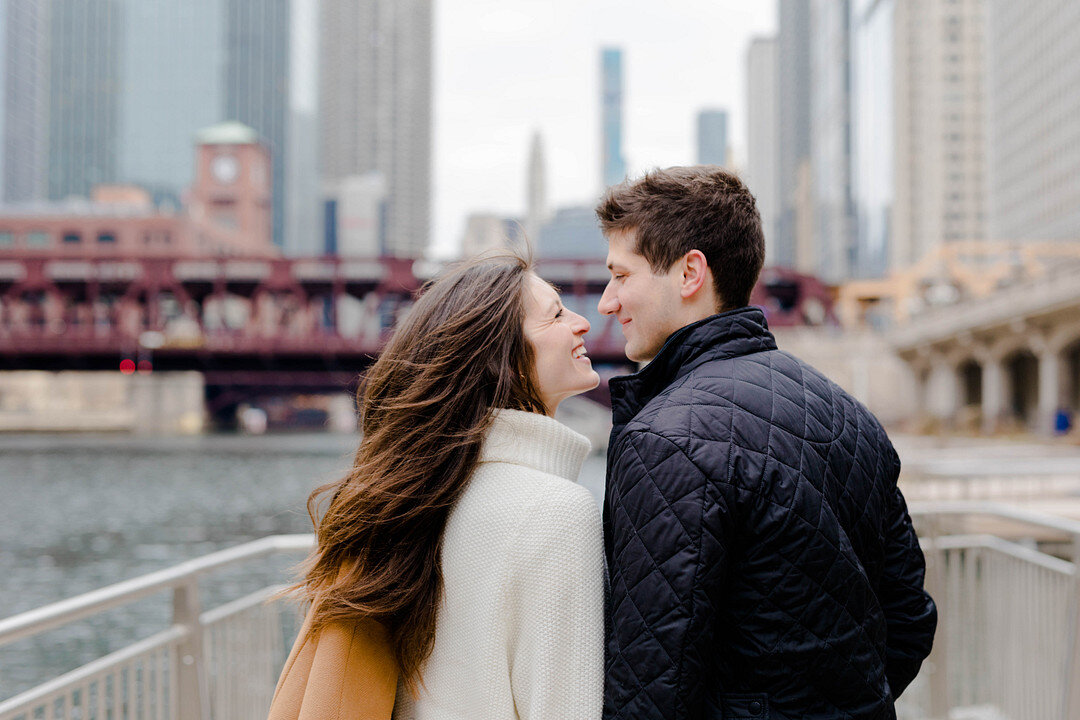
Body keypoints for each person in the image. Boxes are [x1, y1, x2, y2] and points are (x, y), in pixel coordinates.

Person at [595, 167, 937, 720]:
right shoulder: (850, 415)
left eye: (620, 275)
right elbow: (909, 619)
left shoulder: (666, 439)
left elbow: (651, 688)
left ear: (689, 273)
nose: (607, 302)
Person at [275, 254, 605, 719]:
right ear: (502, 358)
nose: (584, 322)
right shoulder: (558, 511)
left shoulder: (409, 499)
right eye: (556, 313)